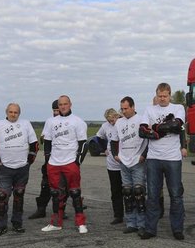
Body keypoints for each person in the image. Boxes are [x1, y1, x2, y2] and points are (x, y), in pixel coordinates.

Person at [139, 83, 186, 241]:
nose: (162, 99)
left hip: (173, 158)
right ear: (156, 94)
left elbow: (177, 125)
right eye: (160, 96)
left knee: (176, 195)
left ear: (170, 95)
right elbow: (142, 131)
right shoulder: (149, 109)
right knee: (152, 195)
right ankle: (150, 229)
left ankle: (177, 229)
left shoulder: (178, 108)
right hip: (153, 158)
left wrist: (156, 128)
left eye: (165, 96)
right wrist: (166, 128)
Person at [0, 102, 38, 236]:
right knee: (2, 196)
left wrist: (29, 160)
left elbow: (34, 144)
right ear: (6, 112)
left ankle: (17, 224)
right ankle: (1, 226)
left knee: (19, 196)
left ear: (19, 113)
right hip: (5, 168)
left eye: (16, 112)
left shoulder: (26, 124)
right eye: (11, 112)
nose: (13, 114)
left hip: (22, 168)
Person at [42, 95, 89, 234]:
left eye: (65, 104)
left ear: (70, 104)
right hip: (54, 163)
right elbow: (47, 142)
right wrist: (48, 160)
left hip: (70, 162)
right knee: (56, 194)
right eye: (60, 104)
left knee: (75, 192)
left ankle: (81, 223)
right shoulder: (50, 121)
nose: (63, 106)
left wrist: (77, 162)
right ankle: (56, 223)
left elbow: (83, 144)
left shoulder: (78, 121)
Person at [111, 96, 148, 234]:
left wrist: (143, 155)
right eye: (122, 108)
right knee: (127, 193)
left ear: (133, 107)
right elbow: (114, 140)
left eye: (126, 108)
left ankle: (142, 224)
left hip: (137, 161)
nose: (123, 111)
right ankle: (131, 223)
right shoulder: (119, 122)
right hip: (124, 162)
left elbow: (149, 140)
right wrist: (116, 154)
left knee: (139, 192)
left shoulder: (142, 120)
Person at [28, 100, 60, 220]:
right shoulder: (50, 122)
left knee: (63, 187)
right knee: (45, 185)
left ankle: (60, 210)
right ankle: (41, 209)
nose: (56, 112)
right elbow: (44, 138)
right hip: (50, 160)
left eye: (58, 110)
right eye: (54, 110)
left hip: (63, 159)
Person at [94, 109, 125, 224]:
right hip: (112, 164)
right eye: (109, 121)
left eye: (113, 119)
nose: (111, 122)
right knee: (115, 190)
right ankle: (118, 215)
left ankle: (133, 214)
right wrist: (104, 149)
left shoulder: (123, 122)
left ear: (117, 116)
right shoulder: (105, 126)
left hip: (126, 163)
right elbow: (99, 137)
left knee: (127, 190)